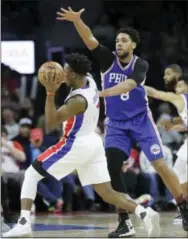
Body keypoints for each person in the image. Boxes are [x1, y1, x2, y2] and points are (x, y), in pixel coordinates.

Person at [56, 7, 188, 234]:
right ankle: (124, 221)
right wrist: (77, 21)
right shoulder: (107, 59)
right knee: (111, 168)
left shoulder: (140, 65)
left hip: (140, 122)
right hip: (116, 124)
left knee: (160, 165)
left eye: (124, 40)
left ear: (133, 45)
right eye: (117, 40)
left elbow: (128, 85)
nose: (119, 43)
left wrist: (101, 94)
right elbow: (89, 39)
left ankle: (184, 207)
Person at [3, 53, 160, 238]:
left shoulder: (77, 101)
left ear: (75, 75)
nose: (62, 73)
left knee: (31, 173)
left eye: (66, 71)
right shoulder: (90, 80)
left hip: (74, 143)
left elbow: (50, 123)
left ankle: (24, 223)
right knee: (107, 192)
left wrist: (50, 91)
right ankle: (145, 213)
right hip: (93, 143)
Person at [145, 74, 188, 229]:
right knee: (177, 172)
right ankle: (185, 209)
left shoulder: (181, 98)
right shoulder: (183, 103)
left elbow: (158, 94)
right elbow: (184, 121)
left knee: (180, 173)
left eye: (181, 86)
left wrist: (137, 86)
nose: (177, 89)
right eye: (176, 87)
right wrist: (176, 125)